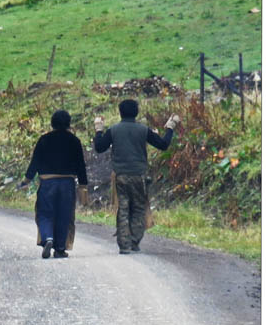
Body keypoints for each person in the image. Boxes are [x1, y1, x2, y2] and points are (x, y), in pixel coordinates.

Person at [93, 99, 179, 254]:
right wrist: (170, 127)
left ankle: (124, 245)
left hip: (121, 176)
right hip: (139, 175)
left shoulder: (113, 130)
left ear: (120, 112)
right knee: (139, 208)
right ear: (136, 113)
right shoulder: (143, 129)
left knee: (123, 208)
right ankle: (134, 241)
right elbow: (163, 145)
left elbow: (99, 147)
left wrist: (99, 130)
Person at [21, 109, 88, 259]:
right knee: (64, 215)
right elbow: (81, 165)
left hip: (47, 182)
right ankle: (59, 248)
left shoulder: (44, 140)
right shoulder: (74, 141)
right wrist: (83, 184)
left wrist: (26, 180)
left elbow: (35, 162)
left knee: (45, 213)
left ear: (52, 123)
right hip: (67, 183)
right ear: (69, 124)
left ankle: (47, 238)